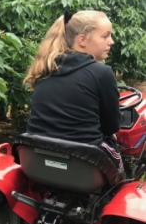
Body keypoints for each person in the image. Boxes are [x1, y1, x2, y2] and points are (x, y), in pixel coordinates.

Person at [24, 10, 122, 169]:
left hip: (38, 159)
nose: (111, 41)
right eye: (105, 36)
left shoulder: (45, 67)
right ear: (82, 39)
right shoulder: (101, 73)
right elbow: (111, 127)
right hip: (85, 164)